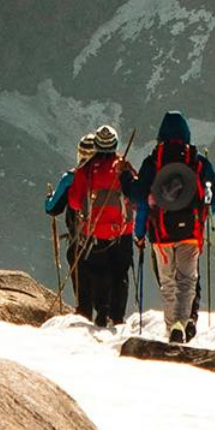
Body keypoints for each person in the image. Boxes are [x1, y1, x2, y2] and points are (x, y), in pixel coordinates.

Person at [132, 111, 215, 343]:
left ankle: (171, 328)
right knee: (187, 280)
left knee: (168, 283)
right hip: (190, 233)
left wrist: (140, 233)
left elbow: (140, 199)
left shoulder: (153, 163)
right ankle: (181, 325)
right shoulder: (198, 162)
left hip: (161, 234)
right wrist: (204, 216)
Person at [53, 126, 136, 326]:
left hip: (94, 231)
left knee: (99, 272)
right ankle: (117, 318)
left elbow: (73, 202)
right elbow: (135, 196)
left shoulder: (86, 170)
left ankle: (101, 312)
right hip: (122, 231)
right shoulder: (124, 167)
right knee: (120, 273)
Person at [43, 134, 98, 317]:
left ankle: (84, 312)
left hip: (80, 240)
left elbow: (52, 208)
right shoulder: (111, 177)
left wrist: (48, 199)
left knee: (80, 273)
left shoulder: (70, 178)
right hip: (108, 238)